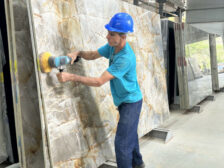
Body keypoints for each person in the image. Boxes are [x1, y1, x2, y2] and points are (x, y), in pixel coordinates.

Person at [57, 12, 145, 168]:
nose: (107, 37)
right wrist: (78, 53)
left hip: (131, 102)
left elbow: (99, 81)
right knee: (130, 134)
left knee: (122, 144)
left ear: (123, 37)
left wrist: (71, 77)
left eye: (111, 34)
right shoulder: (113, 46)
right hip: (125, 101)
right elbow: (92, 55)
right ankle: (138, 164)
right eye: (108, 33)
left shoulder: (125, 58)